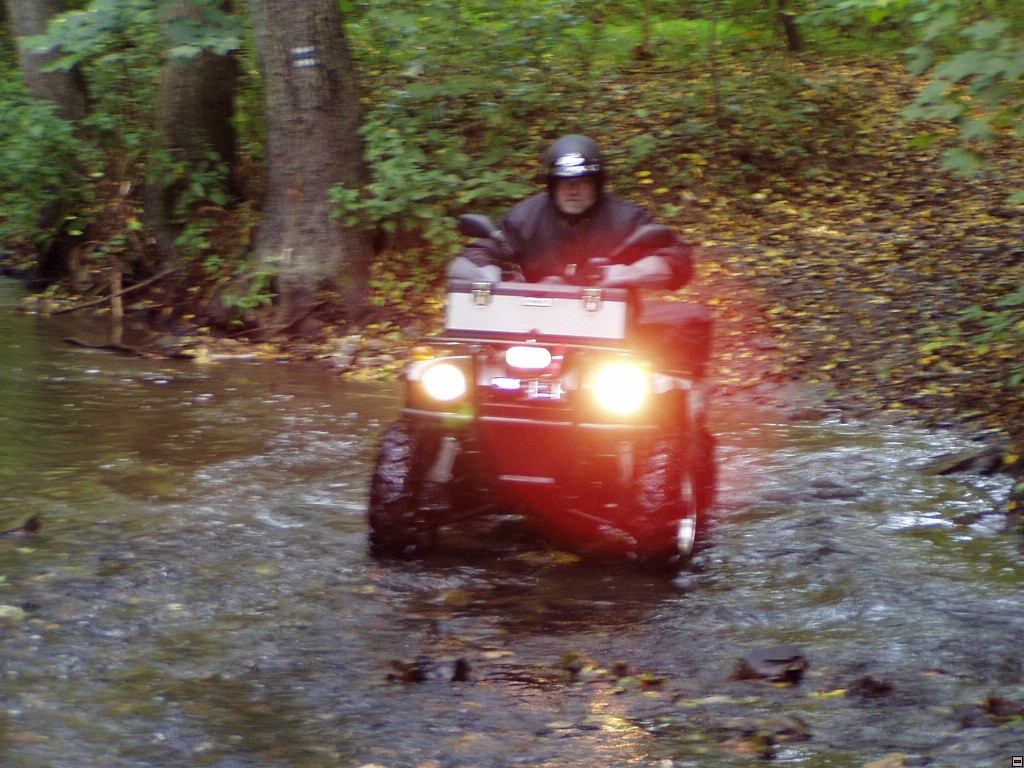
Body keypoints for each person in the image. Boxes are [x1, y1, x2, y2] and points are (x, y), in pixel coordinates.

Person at [448, 134, 712, 378]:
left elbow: (675, 254)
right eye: (565, 183)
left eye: (582, 182)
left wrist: (631, 272)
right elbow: (482, 249)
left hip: (608, 336)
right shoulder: (525, 217)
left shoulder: (625, 218)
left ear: (597, 183)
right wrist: (487, 274)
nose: (573, 190)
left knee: (644, 395)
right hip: (531, 331)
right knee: (464, 378)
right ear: (552, 185)